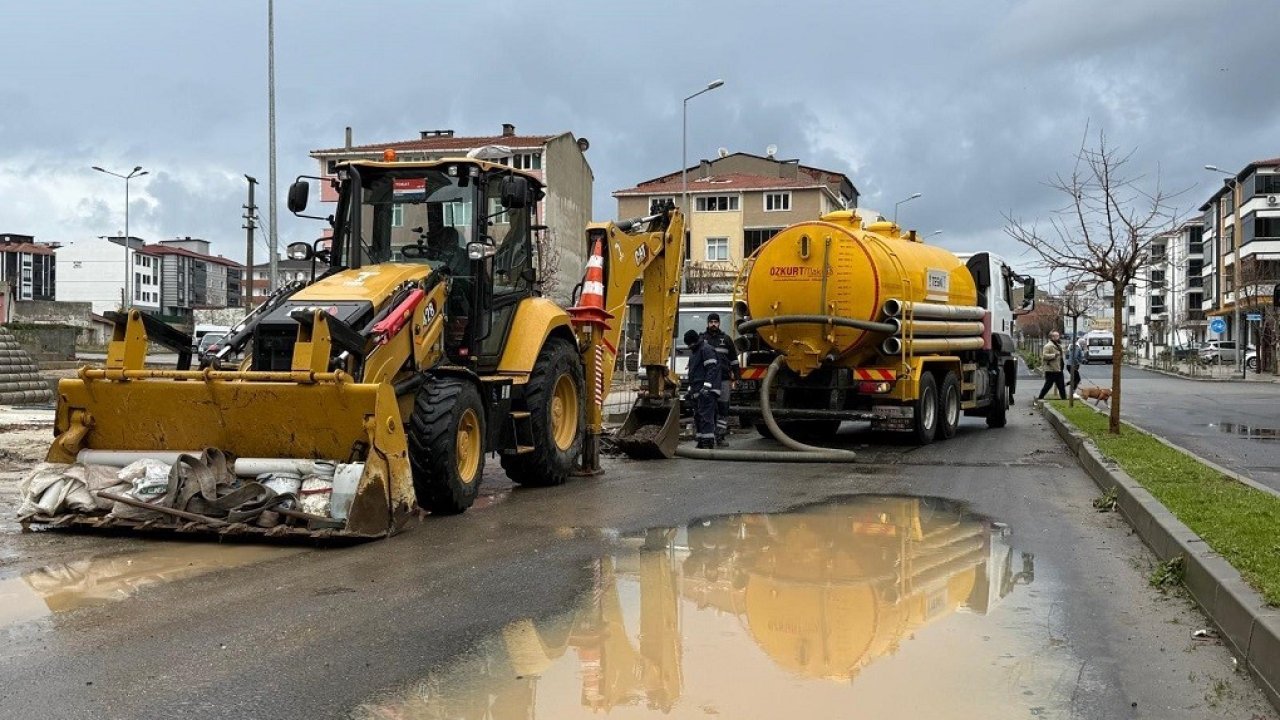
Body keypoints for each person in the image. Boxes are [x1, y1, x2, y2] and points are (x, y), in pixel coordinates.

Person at [701, 313, 740, 445]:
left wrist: (737, 377)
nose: (713, 324)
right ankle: (708, 437)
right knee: (709, 409)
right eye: (711, 321)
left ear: (719, 324)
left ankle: (720, 436)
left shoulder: (726, 339)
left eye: (715, 322)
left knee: (723, 409)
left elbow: (734, 360)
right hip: (707, 380)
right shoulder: (702, 339)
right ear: (707, 323)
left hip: (723, 379)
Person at [684, 329, 722, 450]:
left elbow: (712, 369)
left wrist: (707, 386)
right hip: (698, 390)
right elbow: (693, 374)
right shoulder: (695, 352)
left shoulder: (705, 349)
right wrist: (690, 390)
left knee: (706, 416)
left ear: (694, 341)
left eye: (689, 344)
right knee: (698, 416)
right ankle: (701, 439)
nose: (689, 346)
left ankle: (707, 441)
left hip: (707, 391)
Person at [1036, 330, 1067, 402]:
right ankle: (1040, 398)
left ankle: (1064, 400)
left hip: (1058, 369)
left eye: (1058, 336)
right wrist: (1054, 355)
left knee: (1061, 386)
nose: (1057, 337)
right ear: (1052, 337)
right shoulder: (1048, 346)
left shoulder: (1058, 345)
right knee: (1048, 385)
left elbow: (1062, 354)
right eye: (1056, 336)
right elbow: (1044, 356)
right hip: (1051, 369)